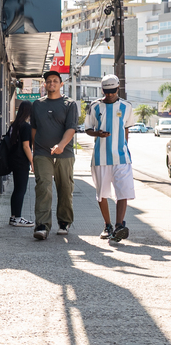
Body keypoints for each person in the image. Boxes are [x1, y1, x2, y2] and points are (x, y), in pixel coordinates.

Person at [85, 74, 134, 242]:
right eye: (107, 91)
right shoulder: (95, 106)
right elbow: (87, 128)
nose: (110, 94)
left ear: (118, 89)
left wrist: (125, 148)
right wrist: (97, 133)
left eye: (113, 91)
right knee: (102, 194)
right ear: (102, 90)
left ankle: (120, 226)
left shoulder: (127, 106)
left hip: (122, 158)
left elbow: (126, 130)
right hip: (100, 157)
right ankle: (108, 225)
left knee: (123, 191)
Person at [30, 70, 78, 240]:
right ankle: (42, 225)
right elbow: (34, 129)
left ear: (61, 84)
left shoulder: (70, 104)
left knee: (65, 188)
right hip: (42, 153)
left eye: (55, 81)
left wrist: (61, 145)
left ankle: (64, 222)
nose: (51, 83)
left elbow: (71, 128)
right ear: (45, 84)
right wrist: (35, 153)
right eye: (48, 81)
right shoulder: (37, 104)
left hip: (64, 154)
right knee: (43, 186)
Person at [7, 101, 34, 227]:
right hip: (21, 161)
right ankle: (17, 218)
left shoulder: (14, 125)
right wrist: (32, 162)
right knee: (21, 190)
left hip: (13, 160)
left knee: (17, 189)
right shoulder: (26, 126)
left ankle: (13, 217)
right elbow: (26, 146)